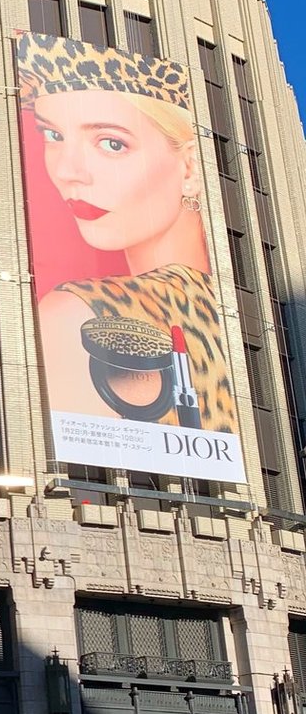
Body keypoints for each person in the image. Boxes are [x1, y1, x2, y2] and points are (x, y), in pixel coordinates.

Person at [18, 32, 238, 437]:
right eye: (53, 135)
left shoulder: (76, 315)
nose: (69, 170)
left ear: (190, 168)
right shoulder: (232, 308)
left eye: (111, 143)